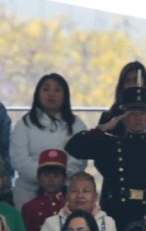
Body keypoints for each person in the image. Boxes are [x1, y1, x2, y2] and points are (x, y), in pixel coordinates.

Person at [64, 85, 146, 230]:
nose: (137, 118)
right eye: (132, 113)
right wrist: (103, 128)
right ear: (123, 117)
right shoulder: (110, 144)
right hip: (116, 211)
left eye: (142, 113)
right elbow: (73, 146)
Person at [10, 73, 88, 207]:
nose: (51, 94)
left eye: (57, 90)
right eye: (46, 89)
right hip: (28, 193)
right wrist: (43, 177)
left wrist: (59, 179)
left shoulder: (77, 124)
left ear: (65, 95)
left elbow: (80, 159)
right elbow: (19, 158)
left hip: (66, 191)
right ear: (38, 94)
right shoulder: (24, 123)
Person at [97, 61, 146, 139]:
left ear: (145, 83)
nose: (132, 85)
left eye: (136, 81)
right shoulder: (109, 117)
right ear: (122, 85)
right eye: (127, 81)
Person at [20, 149, 69, 231]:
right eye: (46, 175)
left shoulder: (70, 206)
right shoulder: (29, 208)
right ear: (38, 178)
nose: (51, 180)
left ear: (64, 179)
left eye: (56, 175)